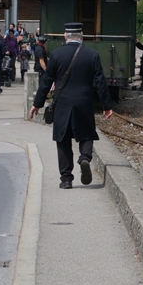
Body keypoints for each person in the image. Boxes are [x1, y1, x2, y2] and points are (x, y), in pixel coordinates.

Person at [29, 22, 114, 189]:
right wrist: (106, 106)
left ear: (66, 36)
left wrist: (37, 104)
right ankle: (84, 158)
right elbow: (101, 83)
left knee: (63, 139)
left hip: (62, 103)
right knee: (87, 134)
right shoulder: (92, 55)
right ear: (81, 36)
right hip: (84, 101)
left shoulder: (57, 55)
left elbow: (47, 81)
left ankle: (66, 179)